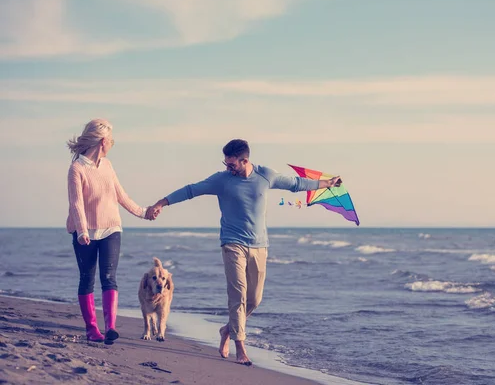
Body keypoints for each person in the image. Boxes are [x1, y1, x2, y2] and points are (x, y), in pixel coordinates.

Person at [148, 139, 341, 365]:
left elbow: (296, 184)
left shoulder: (265, 175)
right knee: (238, 295)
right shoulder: (221, 180)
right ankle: (240, 347)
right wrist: (161, 203)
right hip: (232, 244)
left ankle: (227, 330)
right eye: (226, 163)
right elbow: (192, 190)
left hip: (260, 245)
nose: (227, 168)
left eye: (232, 165)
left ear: (245, 160)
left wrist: (327, 183)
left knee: (255, 299)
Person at [66, 119, 155, 343]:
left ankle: (111, 328)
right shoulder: (77, 168)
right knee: (87, 279)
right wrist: (82, 231)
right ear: (103, 141)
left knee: (109, 278)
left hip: (111, 229)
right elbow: (76, 203)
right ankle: (92, 329)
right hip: (84, 232)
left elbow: (120, 195)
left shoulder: (107, 165)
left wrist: (143, 212)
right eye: (112, 140)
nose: (112, 144)